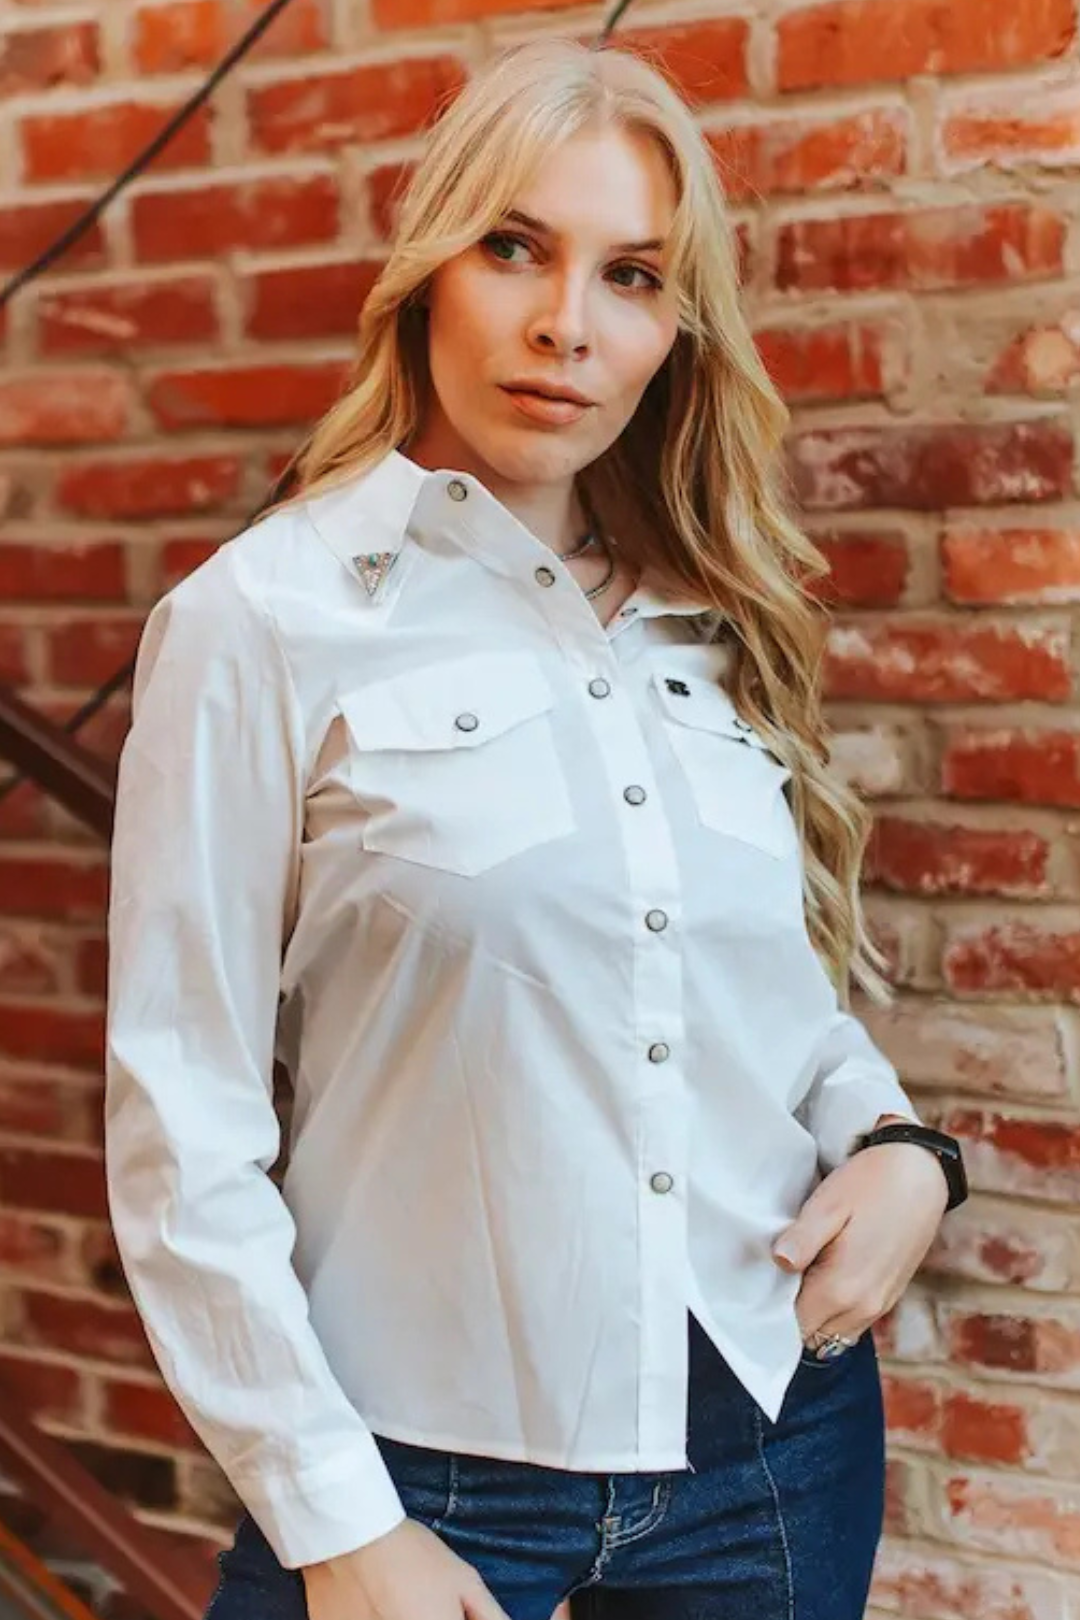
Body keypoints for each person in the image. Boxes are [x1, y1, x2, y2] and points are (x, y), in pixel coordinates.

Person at [104, 36, 967, 1620]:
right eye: (514, 247)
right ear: (429, 271)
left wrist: (904, 1149)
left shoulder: (711, 621)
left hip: (773, 1442)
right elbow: (181, 1125)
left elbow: (757, 1002)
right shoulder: (263, 621)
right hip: (415, 1474)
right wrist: (334, 1524)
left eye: (631, 275)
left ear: (673, 329)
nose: (569, 322)